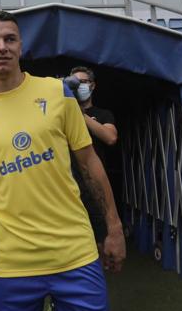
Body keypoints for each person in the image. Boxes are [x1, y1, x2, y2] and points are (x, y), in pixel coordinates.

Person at [0, 10, 125, 311]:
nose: (1, 46)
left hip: (74, 251)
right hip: (11, 261)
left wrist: (114, 228)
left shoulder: (57, 92)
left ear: (21, 46)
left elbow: (89, 163)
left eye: (10, 39)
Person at [67, 66, 118, 246]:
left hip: (95, 186)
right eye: (74, 83)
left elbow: (110, 137)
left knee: (100, 240)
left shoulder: (103, 114)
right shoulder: (62, 114)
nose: (79, 86)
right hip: (68, 188)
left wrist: (79, 114)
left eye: (83, 82)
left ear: (93, 85)